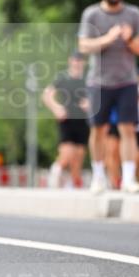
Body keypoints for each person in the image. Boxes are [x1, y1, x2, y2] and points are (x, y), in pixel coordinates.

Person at [78, 0, 139, 193]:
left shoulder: (134, 14)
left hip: (127, 81)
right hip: (98, 82)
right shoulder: (91, 14)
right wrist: (107, 38)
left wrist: (128, 39)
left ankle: (128, 179)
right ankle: (98, 177)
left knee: (128, 129)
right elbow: (83, 45)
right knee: (98, 130)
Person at [42, 52, 89, 188]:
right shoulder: (62, 78)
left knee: (79, 156)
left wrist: (90, 103)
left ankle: (75, 184)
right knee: (67, 152)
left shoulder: (87, 79)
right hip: (67, 119)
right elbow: (47, 94)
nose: (77, 63)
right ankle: (55, 173)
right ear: (70, 61)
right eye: (75, 60)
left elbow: (97, 96)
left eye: (80, 60)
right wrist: (56, 108)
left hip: (83, 120)